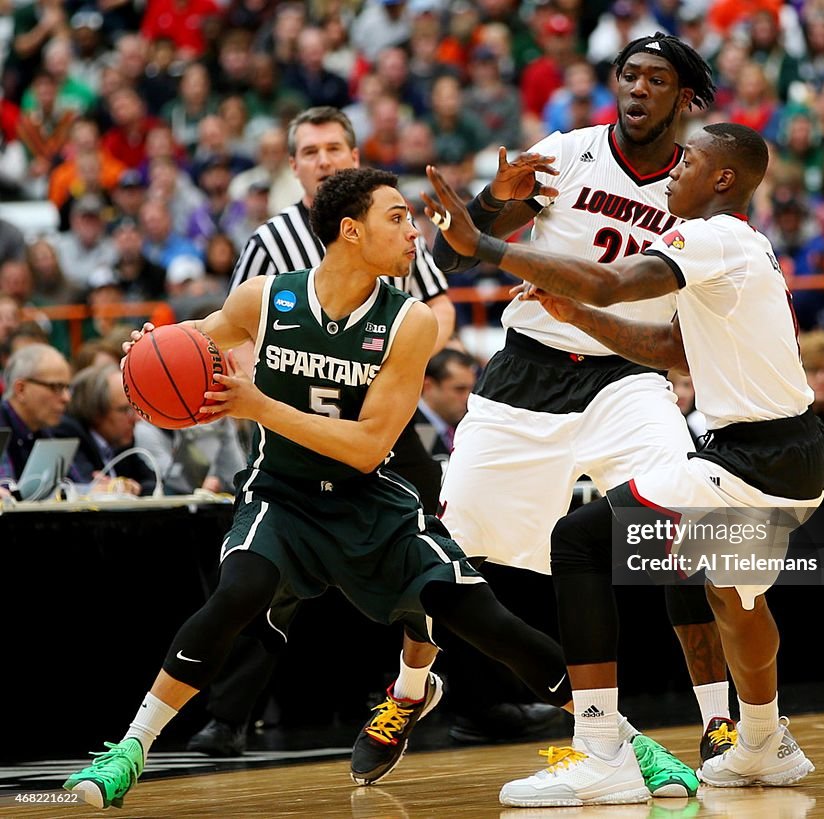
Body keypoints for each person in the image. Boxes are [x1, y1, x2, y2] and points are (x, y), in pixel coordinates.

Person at [61, 169, 574, 810]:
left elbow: (366, 445)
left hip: (368, 499)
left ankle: (618, 738)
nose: (413, 230)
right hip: (283, 495)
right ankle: (130, 749)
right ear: (350, 232)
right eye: (396, 217)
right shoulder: (264, 299)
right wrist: (147, 353)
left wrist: (256, 404)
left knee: (483, 618)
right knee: (238, 593)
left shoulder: (410, 322)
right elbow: (191, 347)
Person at [424, 120, 824, 804]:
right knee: (736, 594)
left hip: (749, 460)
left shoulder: (706, 234)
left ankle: (601, 752)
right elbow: (675, 348)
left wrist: (490, 245)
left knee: (579, 541)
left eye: (690, 162)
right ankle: (765, 740)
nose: (675, 170)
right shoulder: (743, 248)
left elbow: (611, 284)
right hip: (797, 454)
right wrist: (576, 318)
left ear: (723, 180)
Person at [431, 32, 735, 773]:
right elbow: (455, 250)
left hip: (626, 377)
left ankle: (722, 720)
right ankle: (411, 687)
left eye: (655, 79)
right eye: (627, 75)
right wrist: (497, 198)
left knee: (683, 529)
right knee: (444, 552)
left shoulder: (698, 187)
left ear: (685, 99)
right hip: (526, 373)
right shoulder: (566, 152)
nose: (635, 89)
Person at [188, 106, 462, 757]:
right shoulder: (268, 242)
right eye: (311, 149)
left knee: (443, 560)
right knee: (261, 577)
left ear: (354, 154)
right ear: (294, 164)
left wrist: (404, 361)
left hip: (381, 426)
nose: (325, 158)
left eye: (336, 147)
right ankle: (227, 716)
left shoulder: (392, 230)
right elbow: (235, 323)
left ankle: (450, 694)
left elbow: (439, 308)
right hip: (293, 424)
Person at [54, 362, 156, 495]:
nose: (137, 418)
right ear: (96, 412)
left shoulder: (121, 440)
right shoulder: (71, 434)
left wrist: (131, 488)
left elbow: (153, 482)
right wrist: (120, 487)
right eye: (126, 410)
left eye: (135, 408)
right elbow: (88, 487)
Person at [0, 344, 71, 490]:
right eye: (56, 387)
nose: (66, 398)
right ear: (21, 389)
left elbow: (71, 486)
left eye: (66, 388)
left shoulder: (43, 429)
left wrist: (101, 488)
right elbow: (5, 492)